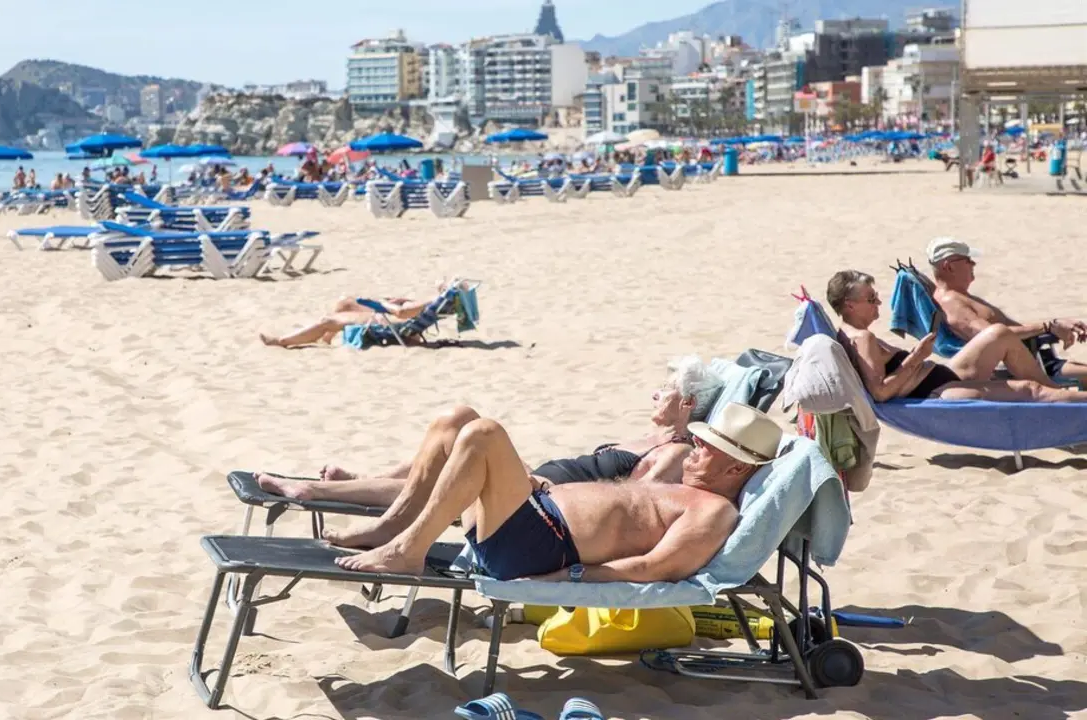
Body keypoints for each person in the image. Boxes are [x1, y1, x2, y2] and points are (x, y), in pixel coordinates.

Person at [327, 402, 782, 581]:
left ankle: (408, 550)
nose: (695, 448)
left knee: (484, 434)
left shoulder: (713, 511)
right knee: (456, 421)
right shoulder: (682, 485)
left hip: (538, 547)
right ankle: (393, 528)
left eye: (706, 446)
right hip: (531, 515)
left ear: (736, 466)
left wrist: (567, 580)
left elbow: (654, 567)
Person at [257, 355, 726, 510]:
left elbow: (631, 502)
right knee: (455, 423)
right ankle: (353, 482)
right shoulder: (654, 438)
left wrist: (546, 490)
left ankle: (317, 489)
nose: (653, 395)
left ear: (687, 403)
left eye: (664, 390)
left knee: (463, 438)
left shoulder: (679, 453)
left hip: (544, 501)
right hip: (539, 483)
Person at [827, 270, 1087, 403]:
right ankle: (1061, 400)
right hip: (935, 390)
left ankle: (1059, 398)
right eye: (871, 299)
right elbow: (881, 393)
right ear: (849, 305)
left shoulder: (848, 333)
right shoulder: (862, 338)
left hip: (938, 377)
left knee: (999, 334)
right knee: (1030, 390)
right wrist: (917, 356)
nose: (879, 302)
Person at [926, 238, 1087, 383]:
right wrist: (1048, 327)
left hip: (1032, 355)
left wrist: (1056, 326)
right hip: (1020, 366)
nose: (973, 264)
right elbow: (994, 337)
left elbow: (1009, 329)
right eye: (967, 260)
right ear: (949, 266)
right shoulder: (952, 302)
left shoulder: (960, 297)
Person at [258, 285, 452, 348]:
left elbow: (401, 313)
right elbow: (406, 310)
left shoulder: (430, 301)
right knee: (346, 302)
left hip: (387, 322)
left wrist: (380, 303)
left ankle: (283, 341)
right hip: (391, 318)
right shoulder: (433, 303)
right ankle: (326, 338)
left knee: (327, 320)